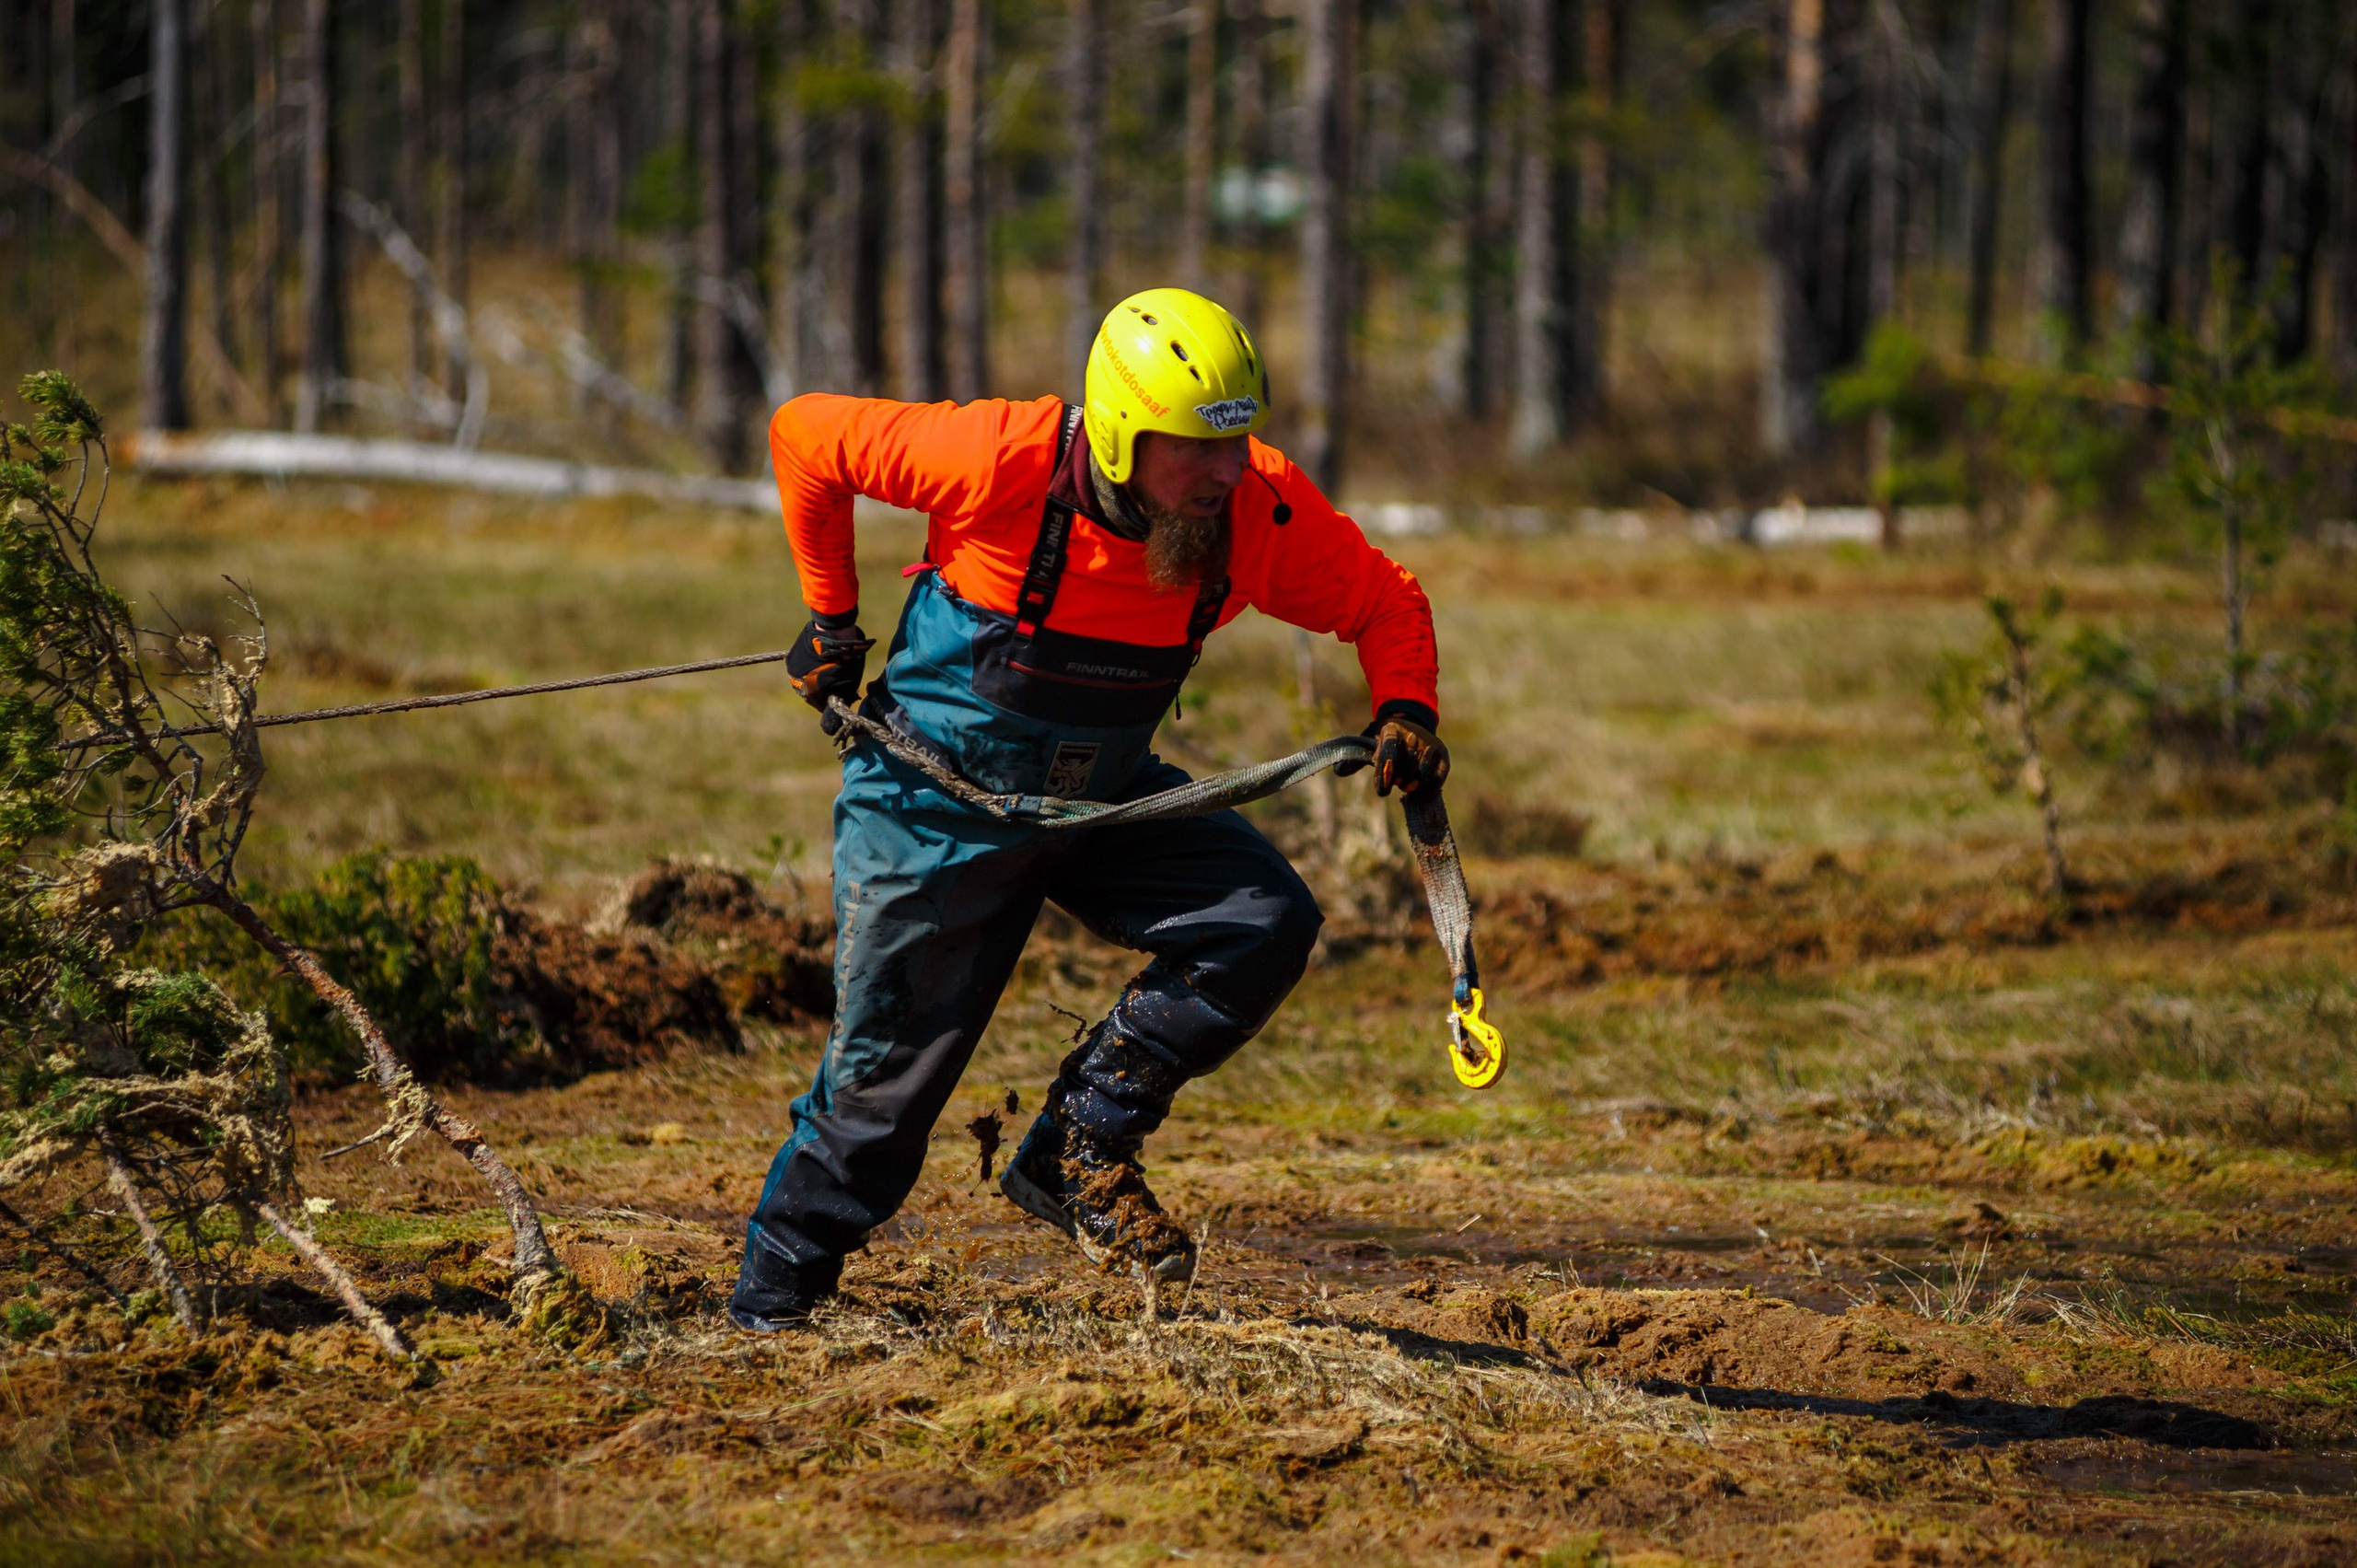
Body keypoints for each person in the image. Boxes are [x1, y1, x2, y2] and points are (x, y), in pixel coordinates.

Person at [731, 288, 1446, 1330]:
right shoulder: (994, 456)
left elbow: (1387, 599)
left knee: (1260, 921)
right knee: (888, 1089)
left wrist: (1405, 706)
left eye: (1238, 442)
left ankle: (1079, 1147)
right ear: (1116, 434)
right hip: (935, 803)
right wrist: (830, 616)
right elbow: (804, 435)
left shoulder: (1255, 513)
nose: (1224, 474)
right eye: (1190, 451)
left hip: (1098, 800)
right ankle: (770, 1312)